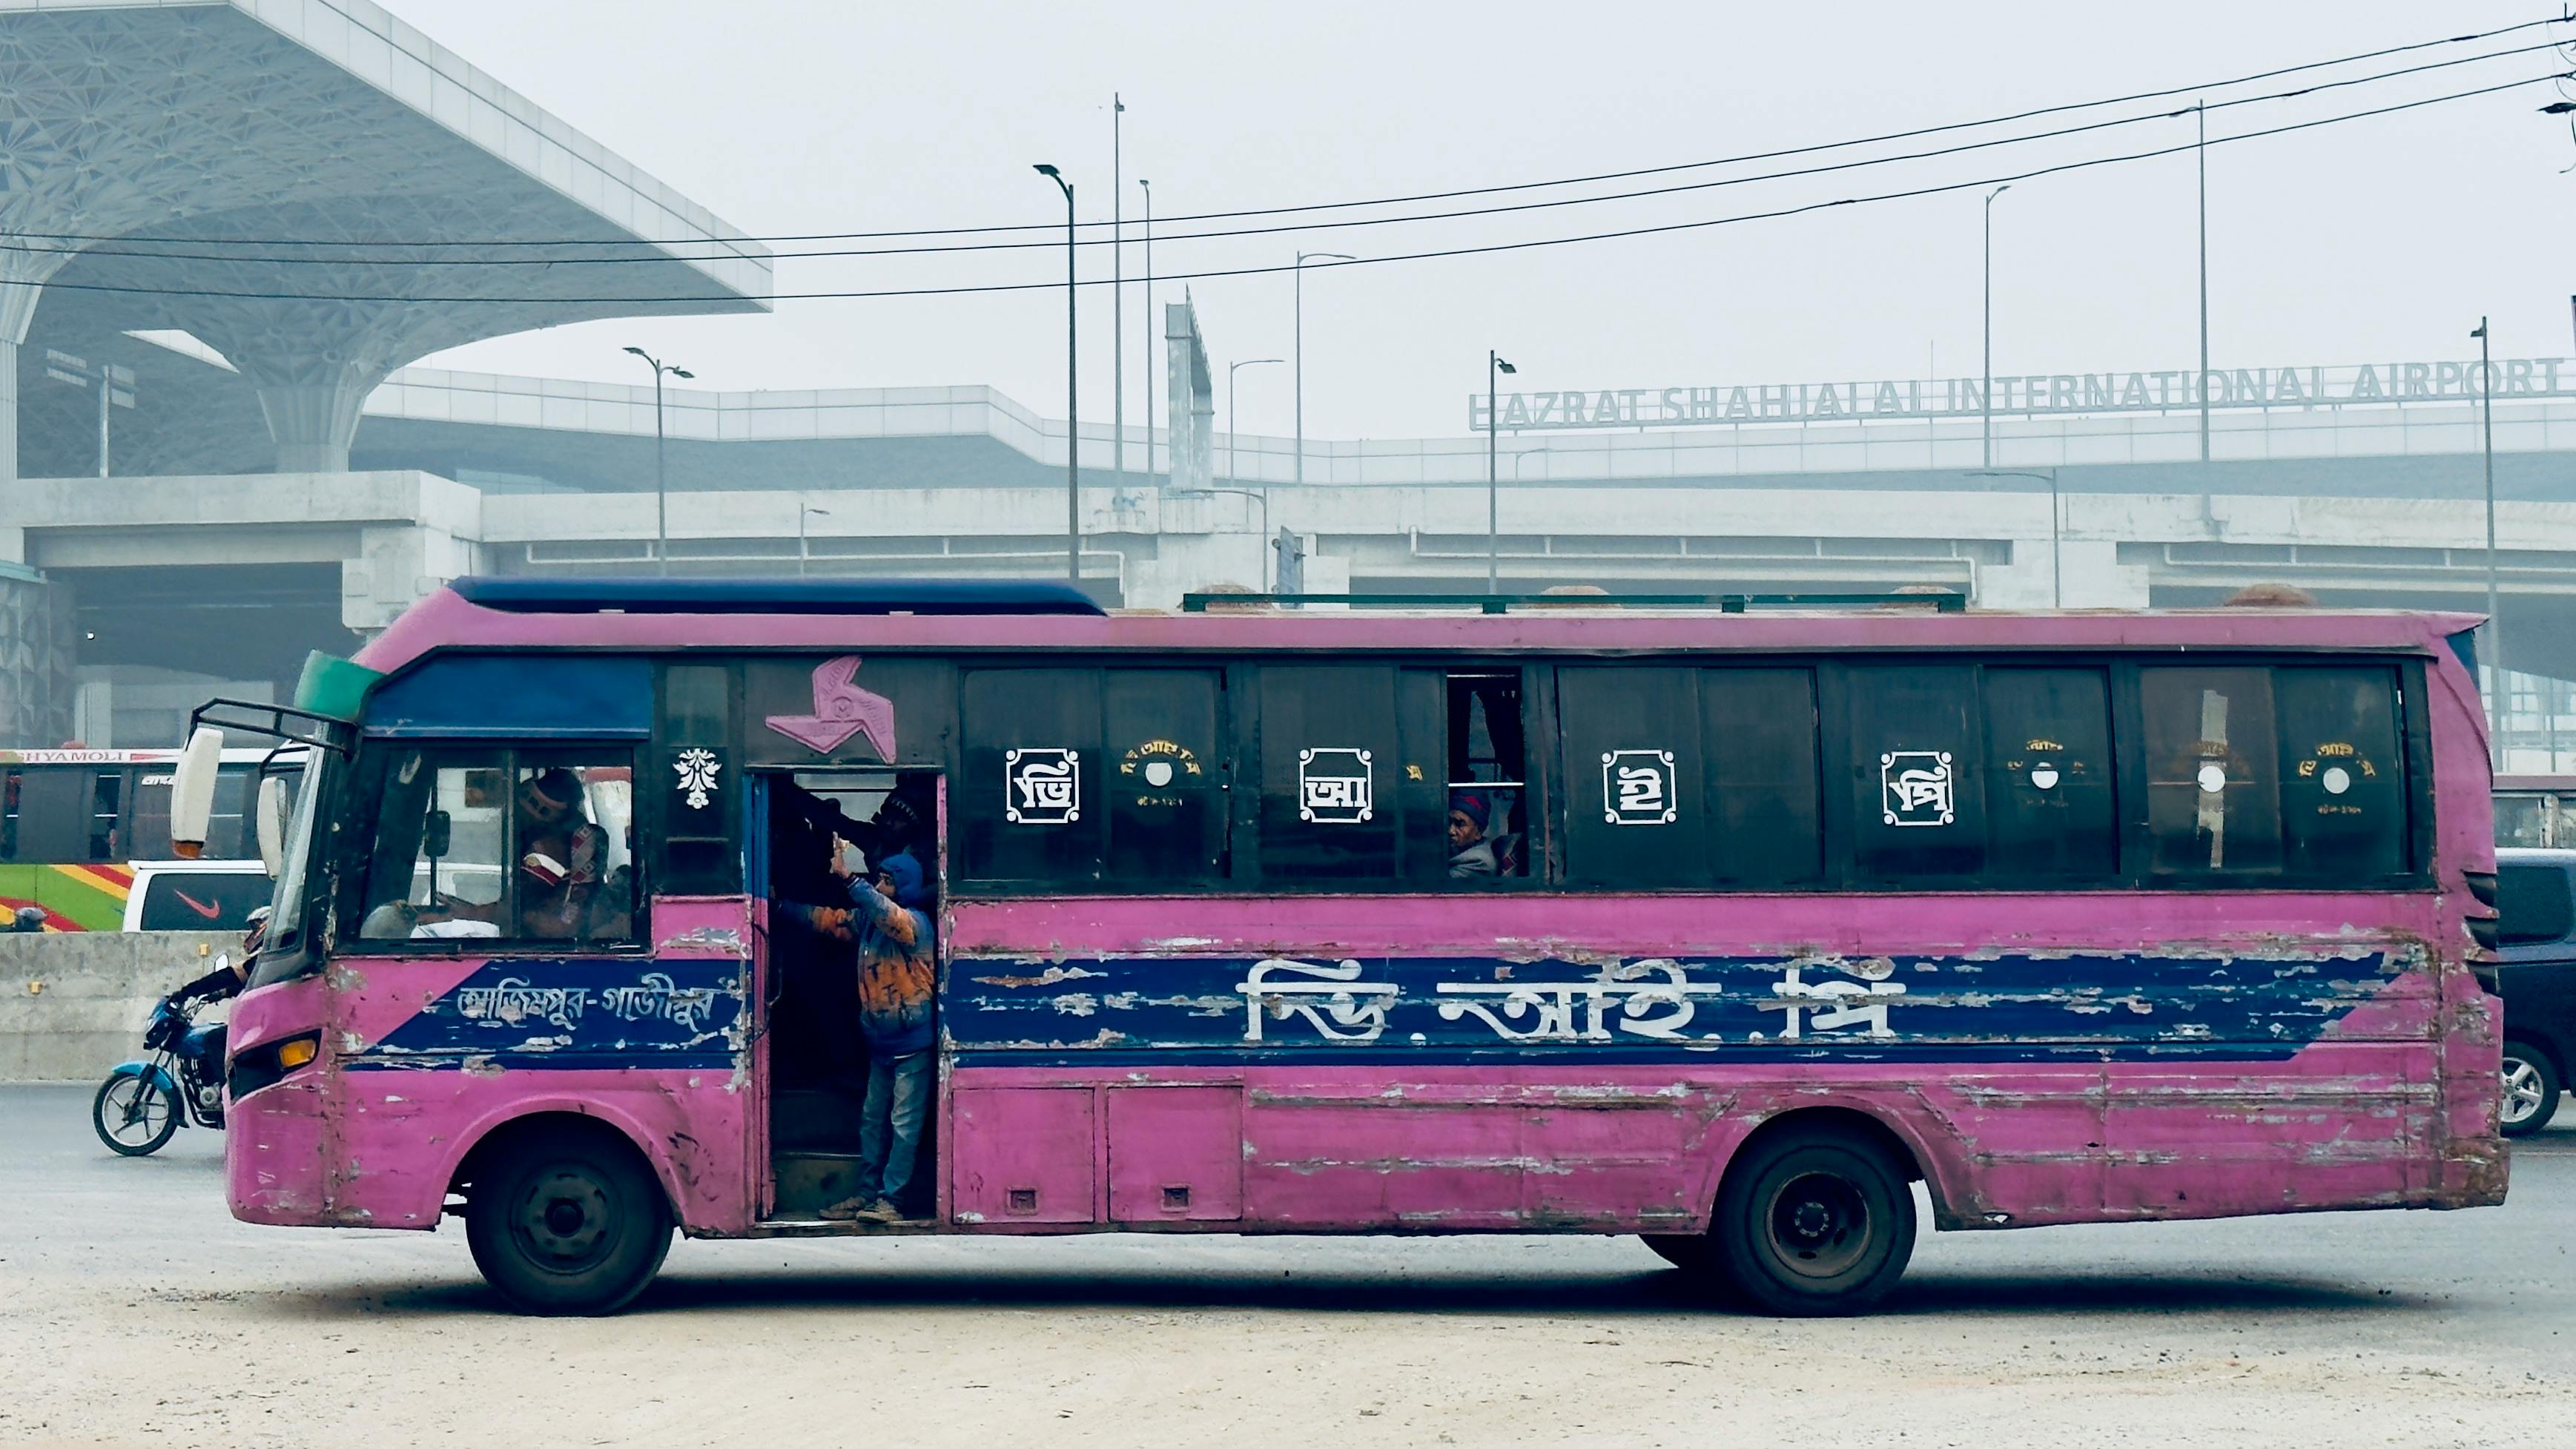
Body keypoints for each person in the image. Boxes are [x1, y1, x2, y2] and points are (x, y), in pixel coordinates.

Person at [775, 842, 937, 1224]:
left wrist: (850, 879)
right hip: (881, 1046)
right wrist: (780, 907)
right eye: (878, 880)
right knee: (872, 1121)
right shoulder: (868, 925)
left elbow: (888, 915)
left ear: (906, 887)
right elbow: (829, 920)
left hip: (913, 1047)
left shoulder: (915, 924)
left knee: (903, 1125)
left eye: (887, 881)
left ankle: (891, 1200)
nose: (880, 888)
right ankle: (868, 1194)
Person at [1447, 790, 1499, 878]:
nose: (1451, 831)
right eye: (1449, 822)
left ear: (1478, 832)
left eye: (1460, 824)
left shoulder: (1479, 862)